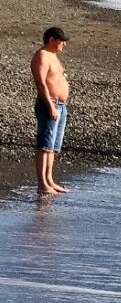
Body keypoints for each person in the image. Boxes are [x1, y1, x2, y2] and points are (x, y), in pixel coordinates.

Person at [30, 26, 70, 196]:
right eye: (61, 41)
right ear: (51, 40)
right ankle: (42, 183)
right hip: (49, 105)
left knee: (53, 147)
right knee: (45, 145)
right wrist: (51, 106)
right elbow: (41, 84)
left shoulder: (53, 56)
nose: (64, 45)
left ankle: (50, 180)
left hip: (61, 105)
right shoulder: (42, 56)